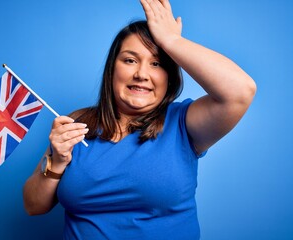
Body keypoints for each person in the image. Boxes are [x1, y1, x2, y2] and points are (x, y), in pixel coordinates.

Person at [23, 0, 256, 239]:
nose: (141, 74)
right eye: (130, 60)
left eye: (156, 63)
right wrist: (57, 161)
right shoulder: (79, 122)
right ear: (112, 69)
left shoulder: (183, 123)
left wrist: (172, 41)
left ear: (170, 77)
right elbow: (34, 206)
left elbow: (240, 91)